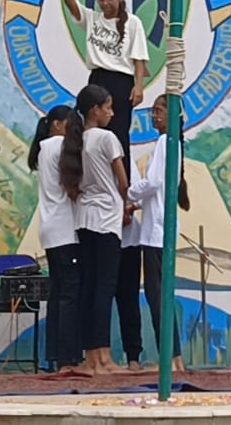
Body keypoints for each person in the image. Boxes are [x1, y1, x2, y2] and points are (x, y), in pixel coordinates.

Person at [116, 97, 187, 373]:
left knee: (157, 296)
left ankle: (170, 356)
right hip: (160, 224)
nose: (154, 116)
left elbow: (155, 182)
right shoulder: (174, 143)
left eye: (159, 111)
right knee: (161, 294)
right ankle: (175, 356)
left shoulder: (164, 142)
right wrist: (138, 203)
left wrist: (128, 193)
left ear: (171, 115)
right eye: (154, 111)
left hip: (155, 231)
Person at [64, 84, 130, 374]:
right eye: (108, 107)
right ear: (95, 110)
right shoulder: (107, 138)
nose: (111, 113)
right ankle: (103, 357)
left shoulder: (75, 140)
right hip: (105, 218)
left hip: (83, 217)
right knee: (104, 286)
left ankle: (91, 356)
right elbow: (123, 182)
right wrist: (126, 204)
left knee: (89, 285)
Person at [59, 0, 148, 170]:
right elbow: (71, 3)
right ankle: (88, 172)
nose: (106, 3)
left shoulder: (133, 23)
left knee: (118, 132)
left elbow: (139, 58)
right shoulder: (92, 19)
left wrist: (138, 86)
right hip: (97, 80)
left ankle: (122, 183)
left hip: (121, 82)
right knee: (89, 129)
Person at [30, 106, 82, 372]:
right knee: (70, 294)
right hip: (66, 228)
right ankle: (68, 357)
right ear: (58, 124)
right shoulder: (60, 145)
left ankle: (55, 355)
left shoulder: (42, 149)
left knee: (59, 292)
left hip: (50, 228)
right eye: (71, 124)